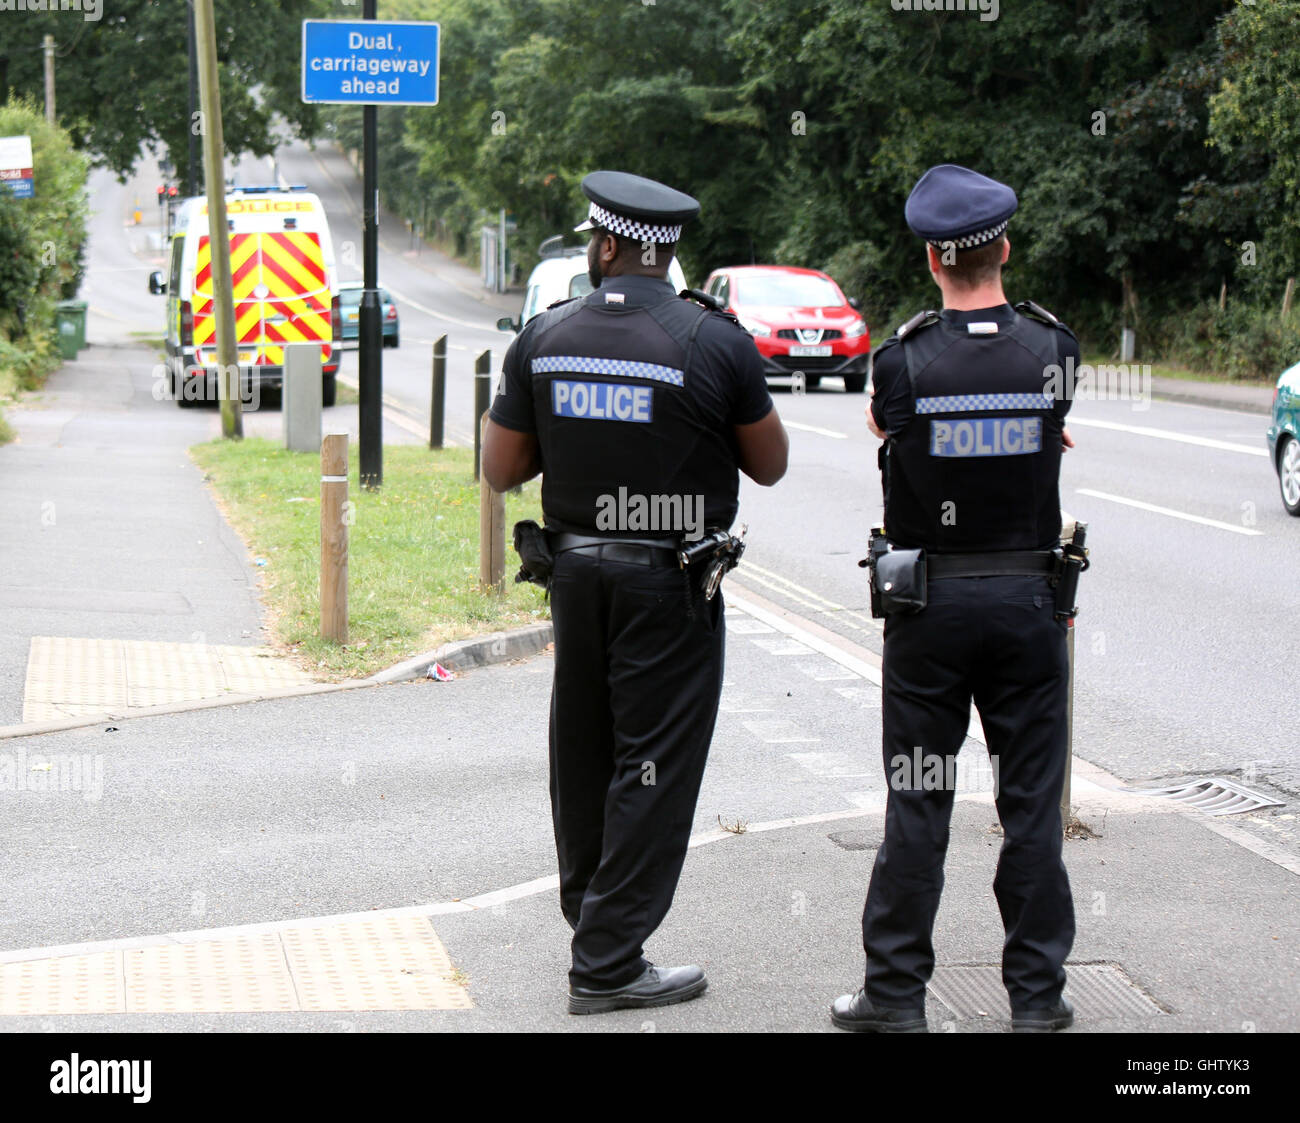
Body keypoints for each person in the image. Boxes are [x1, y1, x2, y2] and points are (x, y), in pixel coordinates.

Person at [482, 170, 788, 1015]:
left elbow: (500, 469)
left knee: (583, 750)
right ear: (667, 251)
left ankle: (594, 921)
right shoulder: (715, 342)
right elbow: (770, 463)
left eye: (592, 238)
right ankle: (610, 960)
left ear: (608, 246)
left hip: (575, 577)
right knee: (655, 760)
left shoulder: (544, 338)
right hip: (672, 584)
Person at [831, 164, 1080, 1034]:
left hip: (929, 612)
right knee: (1031, 804)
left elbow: (889, 431)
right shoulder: (1054, 350)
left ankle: (895, 999)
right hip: (1027, 607)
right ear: (1004, 247)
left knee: (919, 798)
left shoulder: (899, 360)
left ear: (935, 259)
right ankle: (1038, 1002)